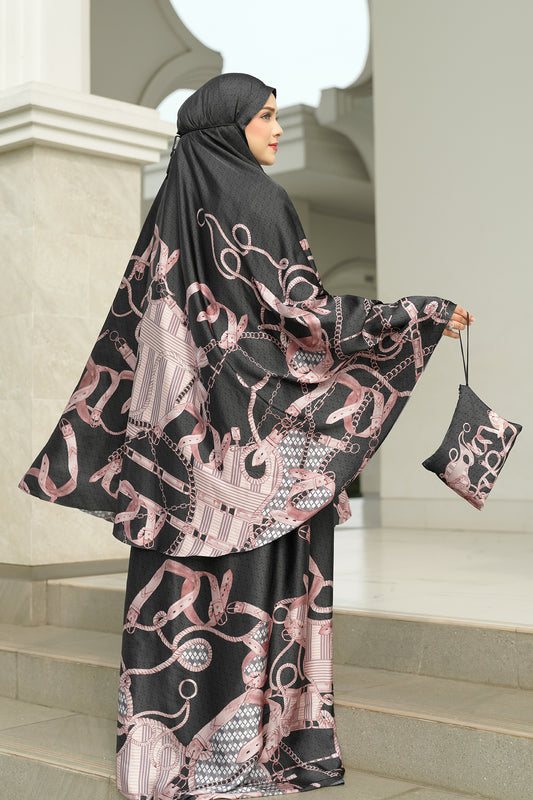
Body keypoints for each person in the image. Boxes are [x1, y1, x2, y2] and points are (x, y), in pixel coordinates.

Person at [19, 74, 472, 799]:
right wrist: (414, 314)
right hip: (254, 451)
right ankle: (251, 749)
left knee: (180, 595)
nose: (277, 128)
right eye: (264, 116)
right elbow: (303, 320)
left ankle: (160, 753)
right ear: (229, 126)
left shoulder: (172, 208)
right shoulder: (261, 200)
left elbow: (144, 331)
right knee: (252, 598)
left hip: (175, 455)